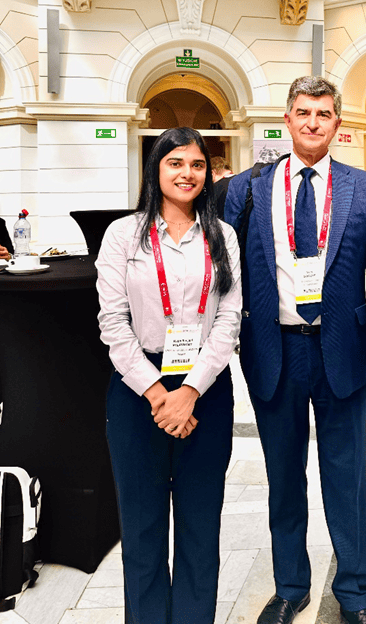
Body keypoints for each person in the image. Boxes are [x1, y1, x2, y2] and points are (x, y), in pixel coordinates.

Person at [223, 76, 366, 624]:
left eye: (323, 113)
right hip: (273, 351)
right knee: (284, 476)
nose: (312, 122)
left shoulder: (365, 188)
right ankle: (290, 586)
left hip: (341, 351)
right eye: (302, 112)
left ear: (337, 123)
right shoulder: (246, 189)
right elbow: (225, 271)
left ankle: (354, 593)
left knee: (346, 477)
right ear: (287, 117)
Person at [96, 127, 242, 624]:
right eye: (175, 163)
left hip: (205, 386)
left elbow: (228, 320)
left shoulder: (223, 236)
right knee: (141, 532)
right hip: (140, 391)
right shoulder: (123, 234)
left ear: (207, 173)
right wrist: (161, 394)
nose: (187, 173)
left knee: (201, 531)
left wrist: (190, 392)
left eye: (197, 165)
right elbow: (112, 323)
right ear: (155, 169)